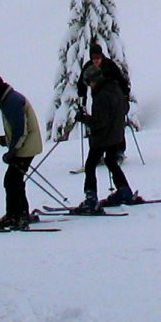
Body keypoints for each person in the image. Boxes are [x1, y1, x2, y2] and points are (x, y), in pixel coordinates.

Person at [66, 42, 140, 212]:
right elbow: (124, 107)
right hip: (117, 133)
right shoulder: (112, 88)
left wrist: (84, 118)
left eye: (89, 83)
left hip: (103, 137)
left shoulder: (101, 96)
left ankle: (91, 199)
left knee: (91, 164)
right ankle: (124, 191)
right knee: (111, 161)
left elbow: (100, 122)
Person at [0, 72, 43, 229]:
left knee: (11, 180)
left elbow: (20, 129)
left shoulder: (11, 101)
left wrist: (12, 150)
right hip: (25, 145)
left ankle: (16, 216)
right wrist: (6, 140)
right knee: (14, 181)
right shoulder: (9, 98)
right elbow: (17, 128)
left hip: (26, 147)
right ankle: (20, 214)